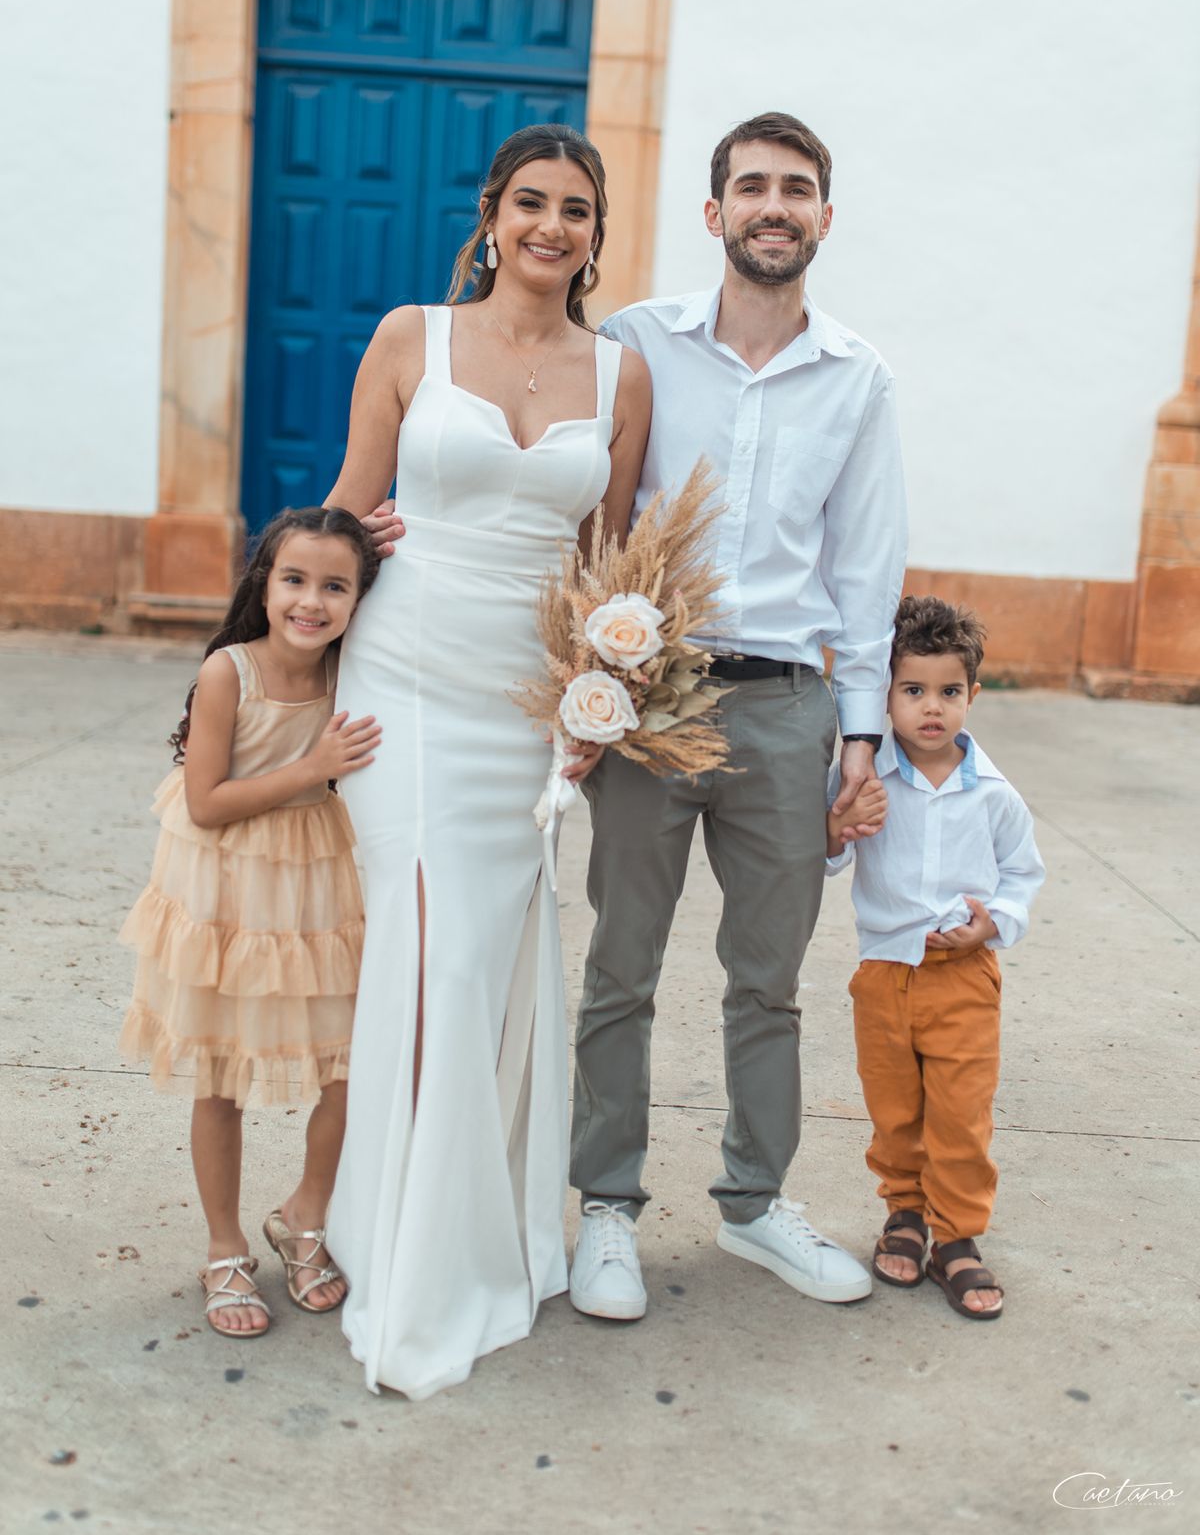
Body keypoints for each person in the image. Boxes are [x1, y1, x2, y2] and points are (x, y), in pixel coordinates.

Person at [324, 125, 652, 1399]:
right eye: (531, 203)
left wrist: (600, 698)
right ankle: (395, 1241)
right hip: (403, 678)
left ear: (595, 232)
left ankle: (464, 1234)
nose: (551, 227)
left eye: (576, 209)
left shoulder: (620, 375)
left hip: (524, 704)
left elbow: (608, 567)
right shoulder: (411, 337)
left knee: (483, 961)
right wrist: (268, 659)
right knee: (424, 953)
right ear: (491, 213)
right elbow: (346, 510)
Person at [567, 110, 907, 1320]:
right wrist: (582, 677)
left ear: (824, 216)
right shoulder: (637, 342)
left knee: (768, 981)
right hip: (647, 698)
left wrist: (858, 739)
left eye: (796, 188)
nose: (775, 205)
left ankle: (756, 1204)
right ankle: (605, 1211)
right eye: (752, 186)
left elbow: (867, 567)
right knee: (621, 967)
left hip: (787, 710)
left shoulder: (858, 376)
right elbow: (594, 515)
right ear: (714, 212)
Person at [118, 506, 382, 1338]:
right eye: (294, 579)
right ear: (264, 586)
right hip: (226, 884)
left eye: (335, 586)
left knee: (350, 1062)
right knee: (221, 1072)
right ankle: (224, 1246)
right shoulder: (228, 672)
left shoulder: (354, 669)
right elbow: (206, 801)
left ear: (360, 599)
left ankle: (305, 1215)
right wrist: (314, 767)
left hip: (314, 881)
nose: (311, 601)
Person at [827, 596, 1044, 1320]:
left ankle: (956, 1235)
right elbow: (827, 859)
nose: (931, 708)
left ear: (972, 695)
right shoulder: (865, 780)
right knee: (895, 1111)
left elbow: (1023, 874)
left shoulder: (995, 795)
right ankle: (905, 1213)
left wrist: (994, 925)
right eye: (913, 690)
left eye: (949, 691)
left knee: (959, 1114)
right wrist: (837, 826)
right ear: (884, 696)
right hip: (884, 976)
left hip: (963, 979)